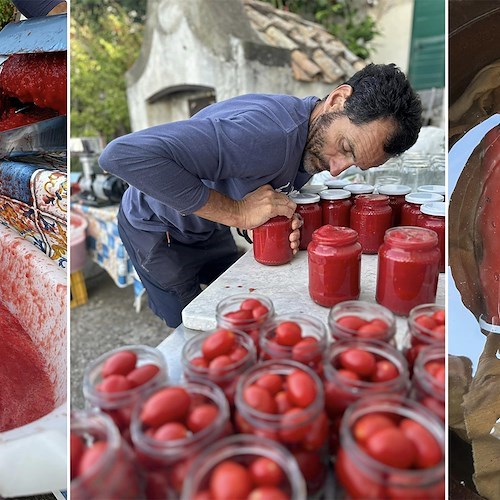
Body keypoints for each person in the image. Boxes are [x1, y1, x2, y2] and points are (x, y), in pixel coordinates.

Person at [99, 63, 422, 328]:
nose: (337, 169)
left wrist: (258, 220)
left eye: (355, 164)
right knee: (191, 324)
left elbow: (244, 182)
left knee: (237, 302)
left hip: (207, 226)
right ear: (338, 100)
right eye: (346, 149)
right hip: (155, 227)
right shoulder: (263, 135)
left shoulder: (317, 135)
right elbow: (121, 155)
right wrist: (238, 213)